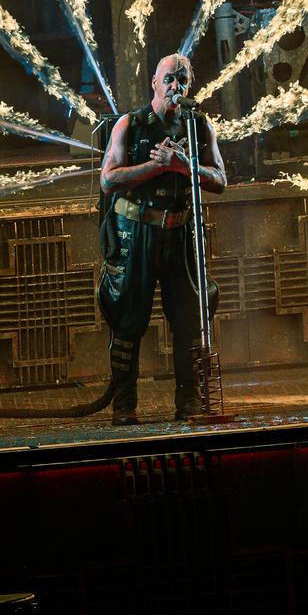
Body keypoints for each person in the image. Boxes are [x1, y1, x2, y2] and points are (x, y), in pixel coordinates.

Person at [98, 53, 227, 425]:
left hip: (180, 233)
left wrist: (185, 166)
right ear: (154, 82)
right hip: (135, 235)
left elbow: (219, 180)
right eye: (170, 79)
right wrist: (155, 166)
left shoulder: (199, 127)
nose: (176, 86)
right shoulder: (131, 124)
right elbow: (109, 180)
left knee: (189, 319)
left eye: (183, 79)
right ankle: (124, 406)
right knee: (127, 320)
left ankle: (188, 403)